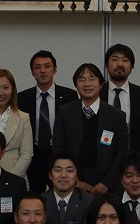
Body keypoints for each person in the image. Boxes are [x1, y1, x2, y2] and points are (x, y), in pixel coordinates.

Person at [51, 62, 130, 194]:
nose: (87, 84)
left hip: (108, 185)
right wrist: (74, 181)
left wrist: (106, 183)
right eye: (82, 80)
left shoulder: (117, 116)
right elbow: (58, 149)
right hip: (72, 183)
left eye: (92, 79)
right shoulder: (65, 112)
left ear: (101, 84)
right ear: (76, 85)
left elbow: (121, 154)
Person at [17, 50, 76, 193]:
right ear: (32, 72)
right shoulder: (22, 98)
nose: (42, 71)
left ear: (55, 69)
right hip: (32, 156)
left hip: (59, 155)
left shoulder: (70, 96)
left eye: (47, 66)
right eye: (37, 67)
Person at [105, 43, 140, 150]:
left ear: (131, 68)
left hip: (133, 154)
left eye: (125, 60)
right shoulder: (97, 93)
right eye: (114, 60)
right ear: (107, 66)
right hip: (102, 155)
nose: (120, 64)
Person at [42, 155, 93, 224]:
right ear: (50, 175)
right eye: (58, 170)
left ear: (77, 176)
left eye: (69, 171)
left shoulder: (88, 202)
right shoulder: (40, 201)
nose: (63, 175)